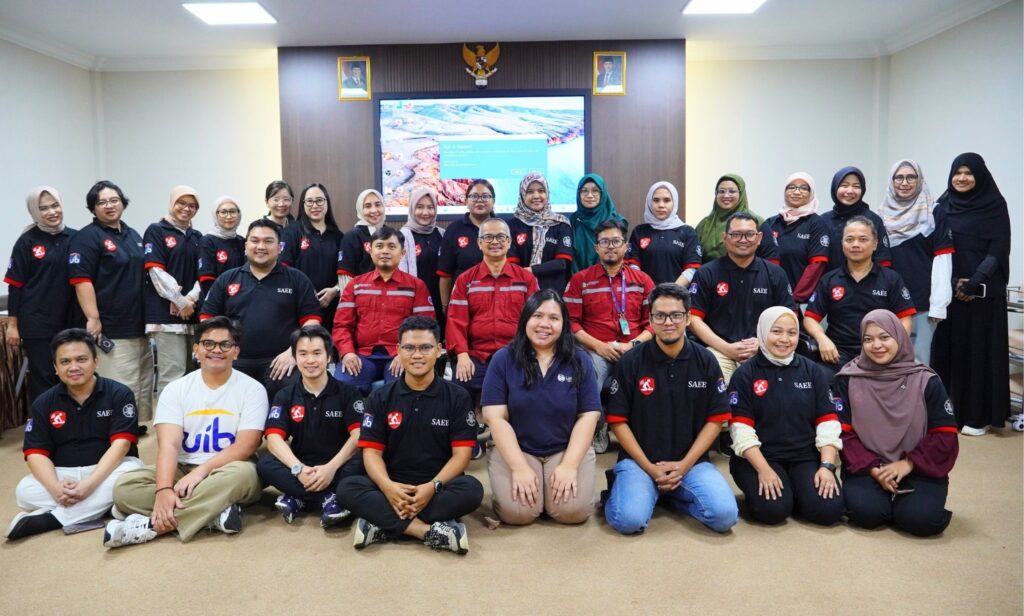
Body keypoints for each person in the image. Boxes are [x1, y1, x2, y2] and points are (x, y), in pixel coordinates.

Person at [104, 317, 267, 547]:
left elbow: (246, 446)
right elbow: (168, 445)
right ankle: (213, 514)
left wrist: (200, 473)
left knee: (245, 476)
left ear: (236, 352)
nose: (216, 350)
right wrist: (163, 489)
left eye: (225, 344)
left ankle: (151, 526)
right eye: (208, 344)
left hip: (228, 469)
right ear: (196, 349)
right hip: (182, 468)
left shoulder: (253, 389)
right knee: (124, 487)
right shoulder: (175, 389)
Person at [337, 316, 483, 554]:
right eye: (409, 348)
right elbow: (371, 452)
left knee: (472, 490)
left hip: (438, 484)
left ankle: (383, 523)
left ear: (439, 350)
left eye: (425, 348)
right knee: (347, 488)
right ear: (398, 350)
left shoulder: (457, 396)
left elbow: (462, 455)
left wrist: (432, 487)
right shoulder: (380, 397)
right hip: (392, 482)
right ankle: (424, 531)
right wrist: (387, 487)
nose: (417, 355)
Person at [604, 283, 738, 534]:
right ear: (650, 320)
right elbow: (617, 421)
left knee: (724, 516)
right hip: (640, 463)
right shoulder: (631, 361)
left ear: (688, 318)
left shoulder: (706, 360)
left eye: (676, 315)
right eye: (660, 316)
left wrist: (684, 465)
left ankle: (667, 495)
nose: (668, 322)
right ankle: (634, 488)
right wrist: (650, 468)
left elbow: (716, 419)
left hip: (691, 463)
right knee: (629, 520)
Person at [5, 329, 142, 541]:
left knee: (133, 474)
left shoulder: (119, 394)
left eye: (81, 359)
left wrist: (90, 484)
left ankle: (52, 519)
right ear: (55, 367)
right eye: (65, 362)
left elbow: (121, 445)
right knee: (24, 491)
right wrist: (55, 488)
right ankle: (104, 506)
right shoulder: (43, 403)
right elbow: (35, 453)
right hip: (64, 476)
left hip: (108, 470)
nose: (74, 367)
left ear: (96, 361)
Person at [481, 290, 601, 525]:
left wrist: (569, 466)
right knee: (518, 514)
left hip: (565, 448)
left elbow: (588, 415)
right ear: (525, 319)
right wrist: (519, 468)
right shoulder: (503, 359)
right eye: (537, 316)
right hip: (519, 448)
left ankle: (550, 493)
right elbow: (495, 418)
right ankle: (533, 491)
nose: (544, 324)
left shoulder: (580, 359)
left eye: (554, 318)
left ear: (564, 324)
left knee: (572, 512)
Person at [836, 310, 958, 537]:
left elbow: (945, 435)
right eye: (868, 339)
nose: (876, 345)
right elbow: (843, 434)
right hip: (868, 466)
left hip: (917, 466)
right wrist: (874, 469)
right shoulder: (849, 379)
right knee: (867, 514)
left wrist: (908, 464)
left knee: (920, 519)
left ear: (899, 337)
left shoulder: (926, 380)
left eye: (884, 337)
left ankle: (908, 502)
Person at [727, 307, 843, 525]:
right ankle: (790, 493)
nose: (784, 339)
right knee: (773, 511)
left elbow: (828, 422)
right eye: (776, 331)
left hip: (804, 456)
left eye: (792, 333)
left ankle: (797, 491)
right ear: (763, 332)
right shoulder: (745, 374)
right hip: (760, 457)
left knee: (828, 511)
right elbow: (740, 430)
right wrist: (764, 470)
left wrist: (827, 466)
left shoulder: (812, 371)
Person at [931, 152, 1012, 436]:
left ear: (980, 176)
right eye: (957, 173)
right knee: (950, 354)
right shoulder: (943, 205)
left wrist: (974, 282)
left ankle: (978, 418)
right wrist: (953, 282)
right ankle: (949, 414)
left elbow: (999, 249)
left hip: (984, 293)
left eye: (968, 173)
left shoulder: (995, 205)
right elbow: (936, 246)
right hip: (950, 291)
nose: (962, 178)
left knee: (979, 355)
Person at [200, 220, 322, 399]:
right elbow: (207, 320)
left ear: (279, 247)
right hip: (234, 360)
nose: (261, 247)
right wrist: (221, 351)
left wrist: (294, 351)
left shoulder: (297, 279)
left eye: (268, 241)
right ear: (246, 246)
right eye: (255, 241)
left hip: (280, 361)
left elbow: (312, 322)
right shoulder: (227, 279)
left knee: (298, 393)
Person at [257, 325, 363, 527]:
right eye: (303, 354)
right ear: (295, 358)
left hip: (339, 465)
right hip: (300, 464)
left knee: (365, 462)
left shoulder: (348, 393)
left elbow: (358, 435)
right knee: (265, 464)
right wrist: (298, 470)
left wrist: (330, 468)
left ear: (329, 357)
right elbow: (273, 439)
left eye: (317, 353)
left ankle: (298, 496)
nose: (310, 360)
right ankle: (328, 498)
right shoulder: (285, 395)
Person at [564, 219, 655, 453]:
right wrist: (598, 346)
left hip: (635, 348)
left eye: (616, 241)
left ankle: (641, 431)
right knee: (588, 376)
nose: (610, 246)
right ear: (597, 248)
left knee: (651, 380)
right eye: (604, 242)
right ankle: (598, 427)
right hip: (594, 349)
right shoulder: (581, 280)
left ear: (626, 246)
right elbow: (570, 323)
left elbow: (654, 322)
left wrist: (632, 344)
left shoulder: (642, 280)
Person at [69, 180, 153, 425]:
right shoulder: (87, 237)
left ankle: (133, 432)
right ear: (93, 208)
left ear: (123, 203)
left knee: (142, 385)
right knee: (120, 386)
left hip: (140, 326)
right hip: (112, 328)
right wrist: (93, 317)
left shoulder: (132, 234)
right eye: (101, 202)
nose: (109, 205)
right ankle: (116, 435)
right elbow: (81, 280)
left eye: (114, 200)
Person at [688, 212, 796, 383]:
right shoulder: (707, 273)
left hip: (764, 349)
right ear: (725, 237)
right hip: (718, 350)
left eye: (749, 234)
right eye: (736, 234)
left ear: (759, 238)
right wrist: (727, 348)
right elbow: (693, 319)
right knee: (714, 384)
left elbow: (789, 316)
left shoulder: (775, 274)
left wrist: (762, 342)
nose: (743, 240)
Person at [804, 216, 916, 374]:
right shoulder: (829, 279)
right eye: (849, 239)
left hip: (878, 352)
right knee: (818, 377)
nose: (855, 244)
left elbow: (905, 319)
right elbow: (810, 318)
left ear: (875, 244)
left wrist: (893, 347)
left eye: (863, 239)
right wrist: (822, 339)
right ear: (842, 244)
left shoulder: (891, 279)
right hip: (837, 354)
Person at [333, 226, 434, 394]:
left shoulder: (416, 286)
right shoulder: (355, 285)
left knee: (403, 389)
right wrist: (347, 353)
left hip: (400, 355)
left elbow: (426, 327)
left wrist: (407, 353)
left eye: (391, 246)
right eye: (379, 246)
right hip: (362, 356)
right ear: (370, 251)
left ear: (402, 253)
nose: (385, 251)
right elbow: (342, 325)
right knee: (342, 385)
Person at [446, 218, 539, 397]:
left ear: (509, 242)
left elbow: (536, 320)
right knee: (460, 390)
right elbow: (455, 320)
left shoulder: (526, 279)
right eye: (488, 237)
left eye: (500, 237)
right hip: (476, 356)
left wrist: (530, 353)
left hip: (517, 354)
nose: (495, 242)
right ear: (479, 243)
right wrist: (462, 354)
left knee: (527, 394)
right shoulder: (466, 280)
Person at [4, 186, 80, 402]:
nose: (52, 212)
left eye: (55, 205)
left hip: (72, 320)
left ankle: (74, 420)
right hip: (37, 323)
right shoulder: (27, 241)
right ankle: (46, 421)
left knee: (74, 376)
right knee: (45, 378)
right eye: (43, 208)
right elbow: (15, 286)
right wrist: (12, 325)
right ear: (34, 212)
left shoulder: (76, 237)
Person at [878, 160, 953, 364]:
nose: (905, 182)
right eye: (899, 177)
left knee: (919, 361)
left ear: (920, 180)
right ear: (891, 180)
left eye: (911, 177)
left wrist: (938, 304)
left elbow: (943, 259)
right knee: (888, 359)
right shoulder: (882, 214)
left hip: (923, 301)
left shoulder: (933, 212)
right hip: (890, 299)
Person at [143, 186, 203, 397]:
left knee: (192, 374)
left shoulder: (197, 236)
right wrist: (180, 301)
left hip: (192, 314)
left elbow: (203, 274)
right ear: (171, 203)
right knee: (173, 375)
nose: (186, 208)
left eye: (192, 205)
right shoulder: (156, 230)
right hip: (165, 317)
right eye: (181, 203)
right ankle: (168, 419)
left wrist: (191, 299)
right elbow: (155, 272)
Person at [281, 183, 344, 330]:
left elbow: (345, 273)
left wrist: (335, 290)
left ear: (327, 202)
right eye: (309, 201)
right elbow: (283, 270)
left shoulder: (338, 236)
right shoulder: (292, 231)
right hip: (299, 307)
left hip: (332, 307)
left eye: (319, 200)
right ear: (303, 204)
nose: (315, 205)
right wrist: (305, 294)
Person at [762, 173, 831, 303]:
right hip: (771, 297)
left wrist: (795, 298)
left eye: (804, 188)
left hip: (800, 301)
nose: (797, 192)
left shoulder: (816, 223)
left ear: (811, 193)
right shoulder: (771, 223)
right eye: (791, 187)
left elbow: (816, 266)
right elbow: (765, 264)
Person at [625, 181, 702, 285]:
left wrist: (671, 291)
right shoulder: (639, 231)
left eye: (667, 200)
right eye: (656, 200)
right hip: (645, 292)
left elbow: (692, 269)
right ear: (649, 202)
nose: (661, 205)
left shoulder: (688, 232)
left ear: (674, 202)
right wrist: (648, 290)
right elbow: (633, 266)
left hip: (677, 293)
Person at [507, 172, 573, 292]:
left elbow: (562, 264)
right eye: (530, 191)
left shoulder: (561, 224)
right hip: (521, 291)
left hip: (553, 293)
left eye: (541, 191)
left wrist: (530, 270)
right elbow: (511, 264)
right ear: (522, 195)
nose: (536, 196)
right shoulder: (511, 226)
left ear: (547, 193)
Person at [437, 179, 496, 311]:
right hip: (463, 300)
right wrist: (446, 306)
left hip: (498, 299)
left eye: (485, 196)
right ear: (466, 201)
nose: (480, 200)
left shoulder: (502, 228)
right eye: (474, 196)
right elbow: (445, 273)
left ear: (493, 201)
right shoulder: (454, 230)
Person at [694, 174, 779, 265]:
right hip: (708, 273)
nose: (726, 195)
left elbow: (771, 259)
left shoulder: (756, 222)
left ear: (741, 194)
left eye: (732, 191)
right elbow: (694, 256)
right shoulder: (705, 224)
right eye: (721, 191)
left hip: (749, 273)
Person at [820, 166, 893, 270]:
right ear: (835, 188)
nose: (850, 191)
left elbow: (883, 261)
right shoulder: (823, 220)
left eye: (856, 186)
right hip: (829, 279)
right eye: (844, 185)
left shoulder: (873, 220)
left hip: (867, 279)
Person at [398, 186, 445, 325]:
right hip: (415, 301)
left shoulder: (442, 234)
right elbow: (401, 275)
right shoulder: (403, 236)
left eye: (430, 207)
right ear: (412, 208)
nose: (425, 212)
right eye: (419, 207)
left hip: (440, 301)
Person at [569, 173, 625, 274]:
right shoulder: (572, 221)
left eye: (595, 191)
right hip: (577, 279)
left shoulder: (616, 222)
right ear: (579, 194)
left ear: (603, 194)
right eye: (584, 191)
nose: (589, 195)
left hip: (608, 278)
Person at [198, 196, 245, 307]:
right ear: (215, 215)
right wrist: (224, 301)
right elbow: (207, 280)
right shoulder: (207, 241)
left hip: (240, 302)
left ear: (239, 214)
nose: (229, 216)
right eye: (223, 212)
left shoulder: (242, 241)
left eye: (233, 211)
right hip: (216, 303)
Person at [337, 189, 385, 293]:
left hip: (389, 297)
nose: (374, 210)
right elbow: (346, 277)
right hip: (361, 298)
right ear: (360, 209)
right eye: (367, 206)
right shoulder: (352, 237)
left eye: (378, 205)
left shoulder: (390, 234)